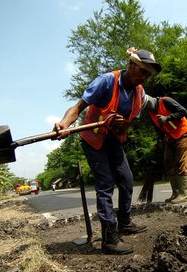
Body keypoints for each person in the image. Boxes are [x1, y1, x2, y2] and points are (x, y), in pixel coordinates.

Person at [55, 47, 162, 255]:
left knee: (127, 179)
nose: (144, 78)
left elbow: (128, 124)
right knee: (105, 183)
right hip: (93, 138)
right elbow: (77, 108)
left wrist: (122, 125)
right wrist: (64, 124)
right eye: (142, 72)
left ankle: (125, 222)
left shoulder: (139, 94)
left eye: (148, 75)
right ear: (132, 65)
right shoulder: (106, 81)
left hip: (112, 138)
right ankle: (110, 238)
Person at [143, 95, 187, 204]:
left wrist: (167, 118)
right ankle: (175, 193)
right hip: (170, 136)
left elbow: (183, 111)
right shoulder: (151, 113)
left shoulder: (165, 101)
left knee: (181, 162)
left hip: (182, 133)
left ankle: (183, 194)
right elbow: (159, 128)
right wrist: (160, 141)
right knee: (168, 162)